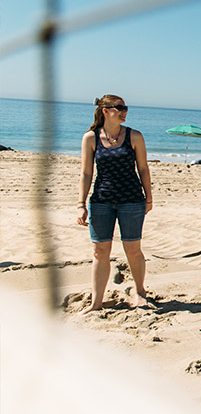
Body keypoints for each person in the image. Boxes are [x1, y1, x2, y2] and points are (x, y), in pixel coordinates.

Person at [76, 95, 154, 314]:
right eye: (119, 107)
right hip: (101, 201)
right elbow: (86, 172)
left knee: (132, 248)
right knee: (100, 251)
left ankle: (140, 292)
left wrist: (149, 197)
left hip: (132, 200)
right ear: (105, 111)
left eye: (125, 107)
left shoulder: (134, 136)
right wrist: (80, 203)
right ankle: (96, 303)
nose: (124, 111)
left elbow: (144, 169)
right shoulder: (90, 138)